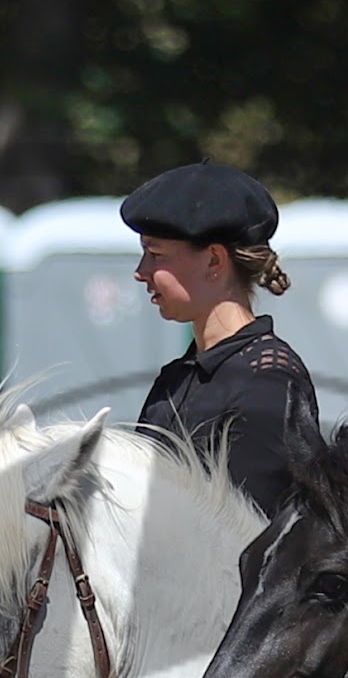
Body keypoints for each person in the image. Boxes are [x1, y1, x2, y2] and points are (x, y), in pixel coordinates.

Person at [124, 161, 321, 514]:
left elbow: (252, 533)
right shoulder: (177, 378)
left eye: (155, 255)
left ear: (214, 260)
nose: (141, 272)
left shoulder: (267, 382)